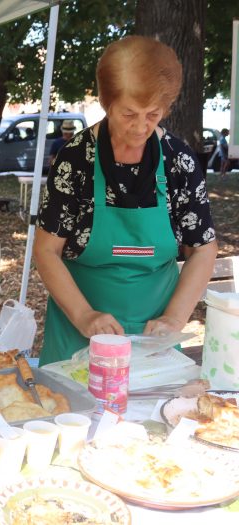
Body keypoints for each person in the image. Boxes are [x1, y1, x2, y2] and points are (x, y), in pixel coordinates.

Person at [34, 36, 217, 366]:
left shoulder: (179, 162)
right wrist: (84, 315)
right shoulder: (76, 160)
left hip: (154, 342)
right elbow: (47, 251)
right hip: (78, 337)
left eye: (153, 114)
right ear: (107, 102)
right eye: (129, 113)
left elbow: (202, 249)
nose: (140, 127)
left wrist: (174, 318)